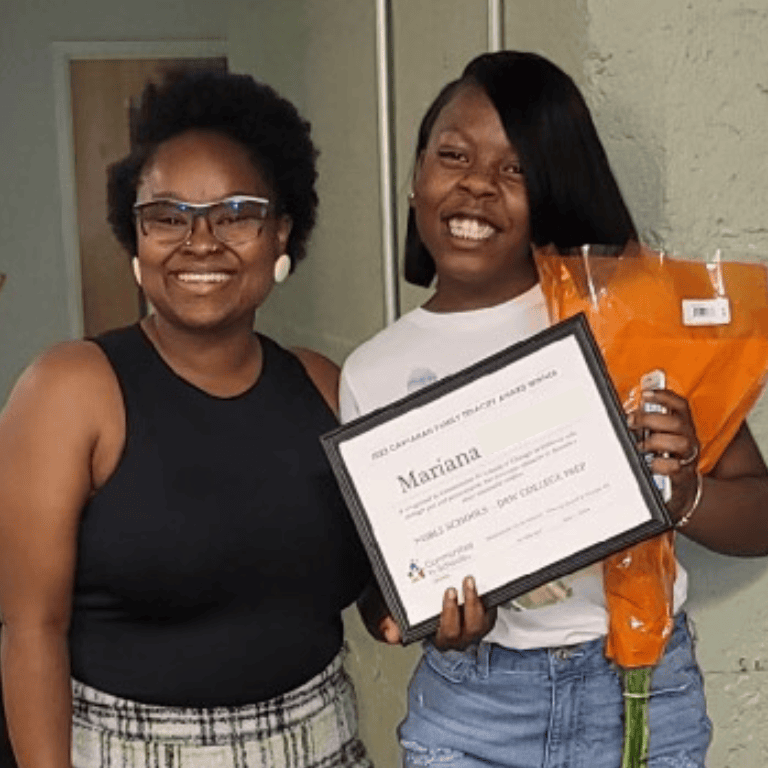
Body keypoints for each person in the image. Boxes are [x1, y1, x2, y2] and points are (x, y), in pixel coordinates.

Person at [341, 51, 768, 768]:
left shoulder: (629, 322)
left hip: (639, 691)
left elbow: (759, 519)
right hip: (474, 711)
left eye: (515, 169)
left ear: (553, 188)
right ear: (415, 176)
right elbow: (379, 590)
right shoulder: (372, 372)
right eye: (453, 154)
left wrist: (685, 491)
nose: (477, 184)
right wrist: (430, 622)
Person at [0, 69, 372, 768]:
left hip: (326, 746)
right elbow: (30, 630)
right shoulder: (71, 389)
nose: (200, 241)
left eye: (235, 213)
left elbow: (380, 596)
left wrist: (453, 612)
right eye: (167, 216)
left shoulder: (322, 385)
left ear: (281, 232)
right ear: (135, 239)